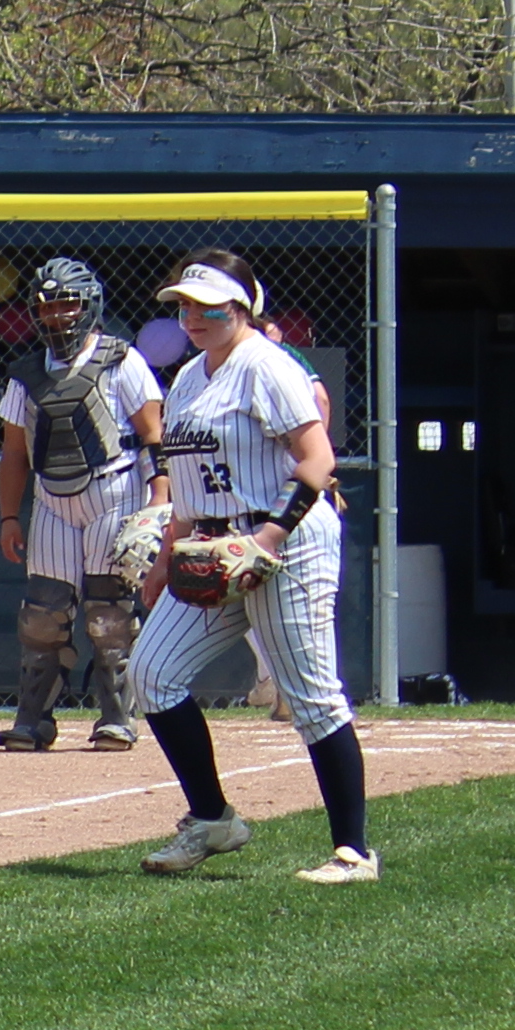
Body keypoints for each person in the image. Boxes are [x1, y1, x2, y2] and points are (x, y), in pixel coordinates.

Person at [128, 254, 379, 884]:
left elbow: (318, 459)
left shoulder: (267, 366)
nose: (193, 317)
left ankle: (354, 853)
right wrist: (164, 561)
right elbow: (190, 489)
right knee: (151, 672)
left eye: (209, 307)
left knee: (311, 697)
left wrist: (267, 538)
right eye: (184, 306)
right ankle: (213, 820)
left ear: (243, 308)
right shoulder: (189, 378)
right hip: (215, 547)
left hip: (287, 542)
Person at [0, 254, 163, 752]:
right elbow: (14, 453)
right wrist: (8, 517)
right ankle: (33, 720)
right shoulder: (26, 373)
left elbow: (154, 436)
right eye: (47, 308)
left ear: (89, 306)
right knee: (42, 614)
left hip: (114, 491)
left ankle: (118, 716)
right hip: (51, 499)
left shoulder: (121, 360)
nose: (57, 317)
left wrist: (159, 500)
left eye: (66, 305)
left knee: (108, 612)